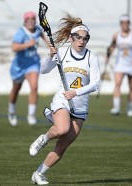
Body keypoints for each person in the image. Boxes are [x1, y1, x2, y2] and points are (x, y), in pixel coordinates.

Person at [28, 13, 100, 185]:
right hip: (62, 100)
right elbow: (43, 70)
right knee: (62, 129)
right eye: (78, 38)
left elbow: (96, 84)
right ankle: (44, 138)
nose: (81, 41)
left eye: (85, 38)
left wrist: (77, 92)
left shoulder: (92, 57)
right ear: (70, 38)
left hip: (80, 107)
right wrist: (50, 56)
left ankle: (38, 174)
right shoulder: (61, 52)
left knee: (62, 146)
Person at [8, 11, 49, 126]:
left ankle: (31, 115)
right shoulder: (20, 33)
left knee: (34, 87)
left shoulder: (37, 29)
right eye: (28, 19)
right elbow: (14, 47)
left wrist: (48, 44)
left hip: (33, 63)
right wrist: (27, 44)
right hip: (19, 66)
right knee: (16, 90)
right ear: (25, 21)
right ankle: (11, 111)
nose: (31, 20)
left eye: (33, 18)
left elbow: (41, 34)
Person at [105, 14, 132, 117]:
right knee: (117, 83)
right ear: (120, 24)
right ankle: (116, 107)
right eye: (123, 23)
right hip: (120, 63)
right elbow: (112, 47)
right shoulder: (116, 35)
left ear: (129, 24)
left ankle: (130, 107)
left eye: (127, 23)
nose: (125, 25)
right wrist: (107, 56)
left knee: (131, 86)